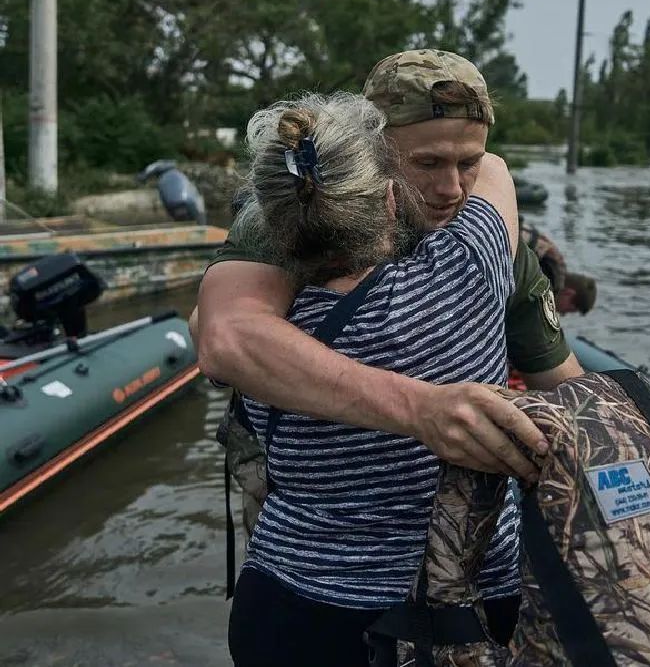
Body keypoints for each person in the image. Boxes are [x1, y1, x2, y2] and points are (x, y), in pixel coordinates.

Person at [191, 49, 585, 531]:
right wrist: (421, 408)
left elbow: (563, 382)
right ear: (370, 148)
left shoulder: (490, 241)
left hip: (452, 542)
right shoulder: (292, 214)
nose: (452, 188)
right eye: (427, 163)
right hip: (312, 520)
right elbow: (227, 339)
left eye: (469, 164)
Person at [224, 91, 530, 666]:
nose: (449, 184)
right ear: (391, 200)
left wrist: (314, 159)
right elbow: (495, 171)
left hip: (283, 609)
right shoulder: (463, 275)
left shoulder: (260, 334)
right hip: (435, 623)